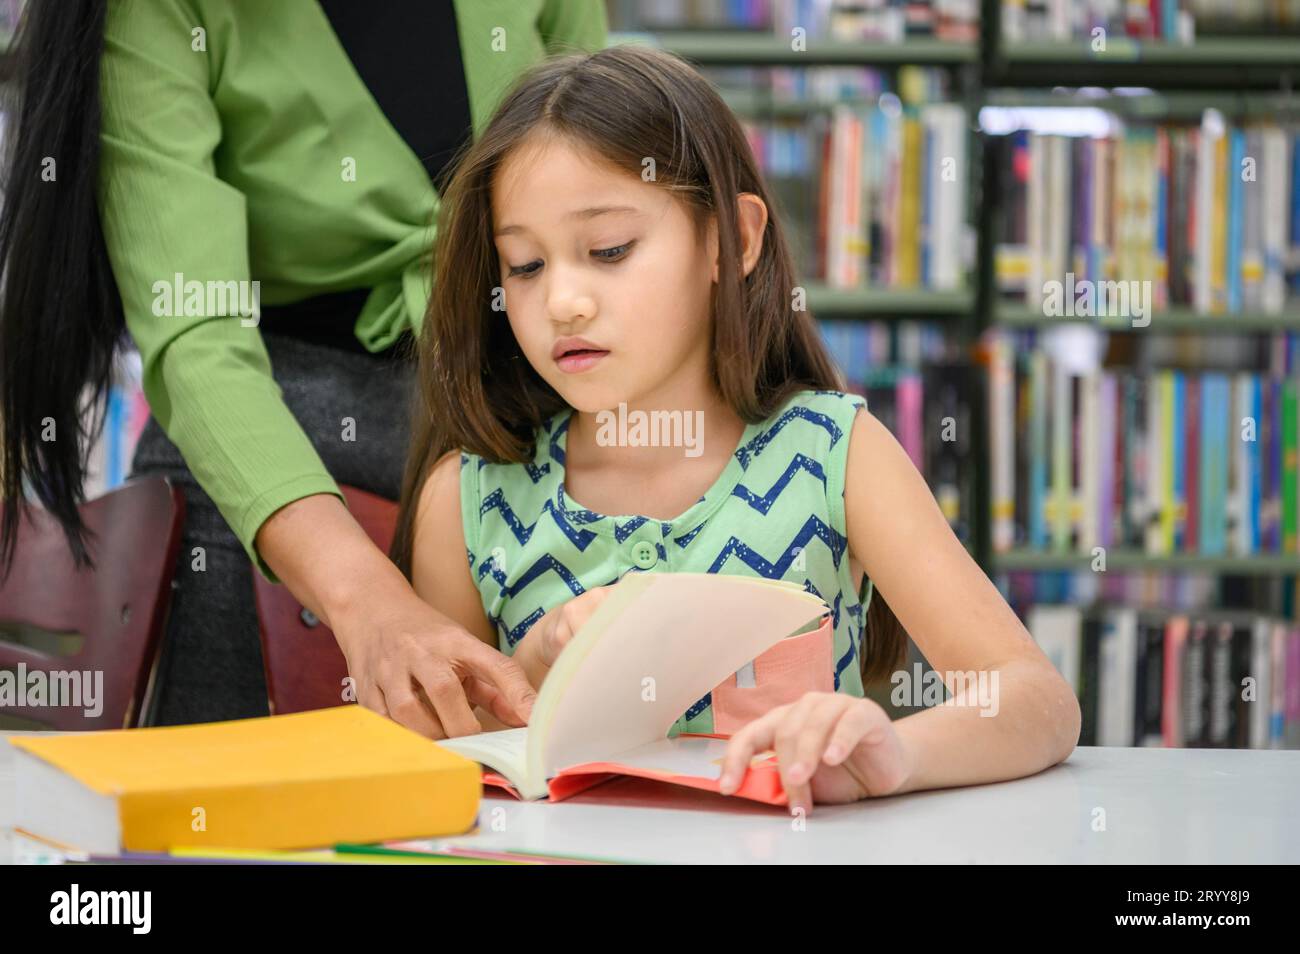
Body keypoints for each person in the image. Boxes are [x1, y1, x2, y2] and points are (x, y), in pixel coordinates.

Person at [392, 44, 1082, 813]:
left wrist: (895, 752)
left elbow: (1036, 703)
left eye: (609, 250)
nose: (562, 301)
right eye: (523, 265)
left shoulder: (832, 454)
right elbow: (444, 764)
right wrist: (535, 660)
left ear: (732, 240)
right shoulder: (467, 498)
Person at [0, 0, 606, 731]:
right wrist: (369, 600)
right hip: (267, 480)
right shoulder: (158, 13)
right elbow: (199, 335)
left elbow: (612, 201)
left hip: (524, 446)